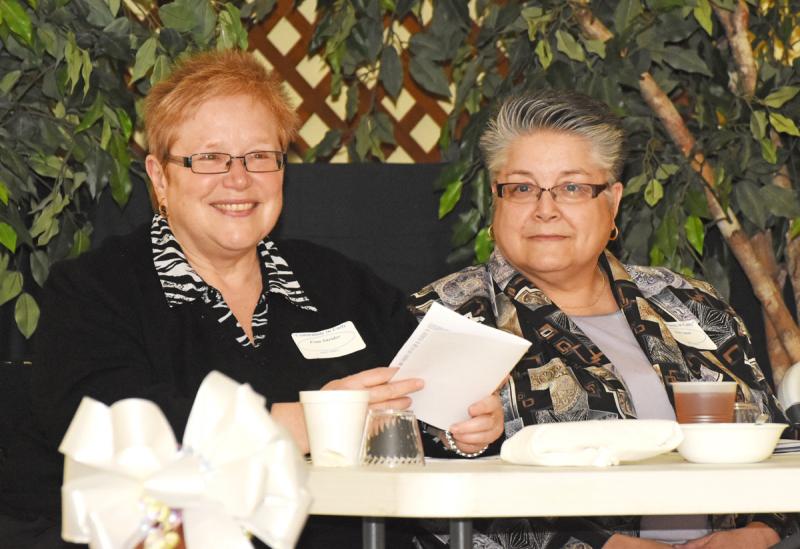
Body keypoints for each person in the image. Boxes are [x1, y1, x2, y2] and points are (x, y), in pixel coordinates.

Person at [11, 50, 503, 548]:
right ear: (160, 177)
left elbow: (423, 398)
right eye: (210, 158)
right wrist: (307, 422)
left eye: (260, 156)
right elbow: (111, 423)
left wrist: (464, 428)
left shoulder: (338, 283)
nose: (239, 178)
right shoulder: (95, 290)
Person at [409, 90, 794, 549]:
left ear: (612, 202)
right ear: (496, 199)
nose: (545, 209)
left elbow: (779, 445)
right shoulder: (450, 315)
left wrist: (760, 532)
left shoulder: (688, 301)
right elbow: (424, 484)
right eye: (522, 188)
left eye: (572, 188)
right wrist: (606, 546)